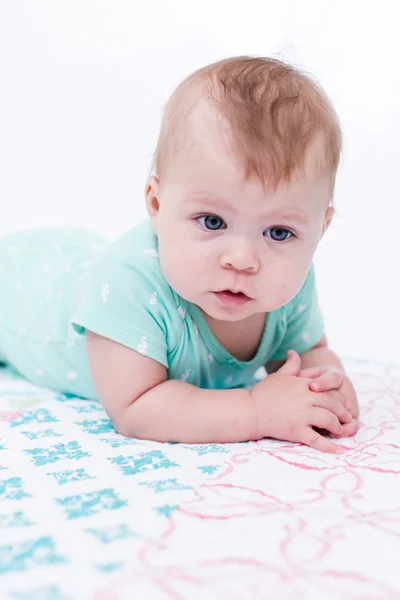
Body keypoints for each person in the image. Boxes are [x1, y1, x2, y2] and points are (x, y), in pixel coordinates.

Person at [0, 56, 359, 453]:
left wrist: (325, 389)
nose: (241, 259)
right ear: (157, 204)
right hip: (21, 286)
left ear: (319, 230)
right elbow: (136, 408)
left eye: (278, 232)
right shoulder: (128, 283)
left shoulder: (293, 280)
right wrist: (257, 409)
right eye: (211, 221)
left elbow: (308, 352)